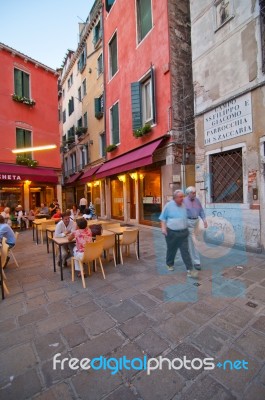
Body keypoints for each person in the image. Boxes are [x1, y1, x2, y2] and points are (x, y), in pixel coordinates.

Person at [159, 190, 197, 278]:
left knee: (185, 251)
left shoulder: (184, 205)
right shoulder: (168, 206)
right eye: (180, 197)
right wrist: (163, 228)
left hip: (183, 232)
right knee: (171, 249)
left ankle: (190, 270)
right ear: (175, 198)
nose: (182, 198)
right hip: (172, 232)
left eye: (183, 196)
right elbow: (163, 218)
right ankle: (169, 264)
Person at [183, 186, 208, 270]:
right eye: (193, 193)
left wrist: (204, 220)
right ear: (188, 193)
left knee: (194, 241)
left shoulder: (197, 200)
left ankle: (189, 256)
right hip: (188, 222)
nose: (194, 194)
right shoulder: (183, 201)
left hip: (196, 222)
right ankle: (196, 262)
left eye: (195, 192)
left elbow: (201, 211)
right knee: (194, 242)